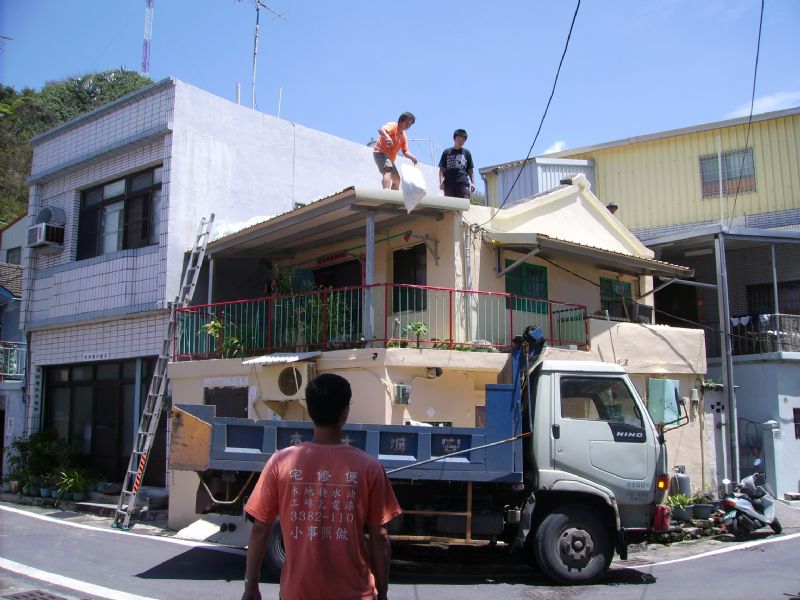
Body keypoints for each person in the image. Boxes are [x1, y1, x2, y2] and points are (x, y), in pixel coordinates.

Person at [242, 373, 402, 600]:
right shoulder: (369, 468)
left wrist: (251, 586)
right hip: (356, 593)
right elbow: (380, 536)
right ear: (345, 412)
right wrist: (383, 592)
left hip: (297, 593)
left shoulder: (280, 462)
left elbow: (260, 528)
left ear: (309, 409)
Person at [373, 112, 418, 190]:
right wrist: (387, 137)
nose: (408, 126)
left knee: (397, 179)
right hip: (380, 152)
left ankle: (394, 198)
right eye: (407, 123)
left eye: (410, 124)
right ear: (401, 120)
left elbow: (405, 151)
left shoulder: (404, 136)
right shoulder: (393, 126)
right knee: (387, 172)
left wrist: (413, 158)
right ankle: (386, 192)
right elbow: (381, 130)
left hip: (390, 159)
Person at [438, 128, 475, 199]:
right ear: (454, 139)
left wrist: (473, 183)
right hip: (449, 184)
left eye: (462, 140)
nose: (460, 142)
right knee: (450, 207)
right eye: (458, 139)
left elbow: (470, 169)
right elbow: (442, 169)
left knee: (463, 205)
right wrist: (441, 182)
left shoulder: (467, 153)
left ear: (464, 141)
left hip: (463, 183)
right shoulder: (446, 152)